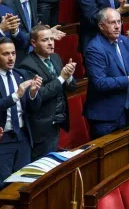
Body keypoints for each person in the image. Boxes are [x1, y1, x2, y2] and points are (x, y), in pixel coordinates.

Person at [0, 37, 42, 192]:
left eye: (13, 53)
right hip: (0, 140)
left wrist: (33, 94)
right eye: (6, 54)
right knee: (4, 189)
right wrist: (16, 95)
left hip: (22, 137)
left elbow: (34, 108)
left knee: (24, 188)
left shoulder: (22, 74)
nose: (11, 57)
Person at [83, 8, 129, 138]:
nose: (117, 26)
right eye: (112, 23)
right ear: (101, 26)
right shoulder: (95, 49)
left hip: (126, 109)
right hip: (105, 116)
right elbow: (99, 83)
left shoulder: (124, 41)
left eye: (119, 21)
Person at [20, 25, 77, 160]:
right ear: (33, 43)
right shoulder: (27, 65)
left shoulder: (56, 58)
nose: (51, 43)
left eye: (52, 39)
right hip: (42, 127)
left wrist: (68, 76)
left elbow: (71, 88)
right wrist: (62, 77)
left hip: (57, 120)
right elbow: (38, 96)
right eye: (45, 40)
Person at [3, 0, 59, 66]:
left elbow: (34, 26)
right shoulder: (7, 2)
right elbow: (14, 34)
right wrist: (39, 35)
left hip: (33, 52)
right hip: (17, 55)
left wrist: (44, 30)